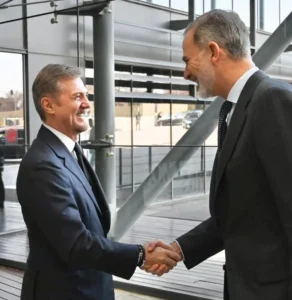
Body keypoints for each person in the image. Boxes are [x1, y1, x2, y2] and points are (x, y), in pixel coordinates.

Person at [146, 9, 292, 300]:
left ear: (213, 51)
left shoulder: (272, 99)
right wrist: (179, 249)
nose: (186, 73)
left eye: (187, 60)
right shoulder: (235, 109)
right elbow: (240, 212)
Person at [16, 64, 181, 300]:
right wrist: (140, 255)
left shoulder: (69, 151)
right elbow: (75, 244)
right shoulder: (42, 165)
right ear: (48, 105)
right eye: (77, 97)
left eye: (86, 95)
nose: (86, 104)